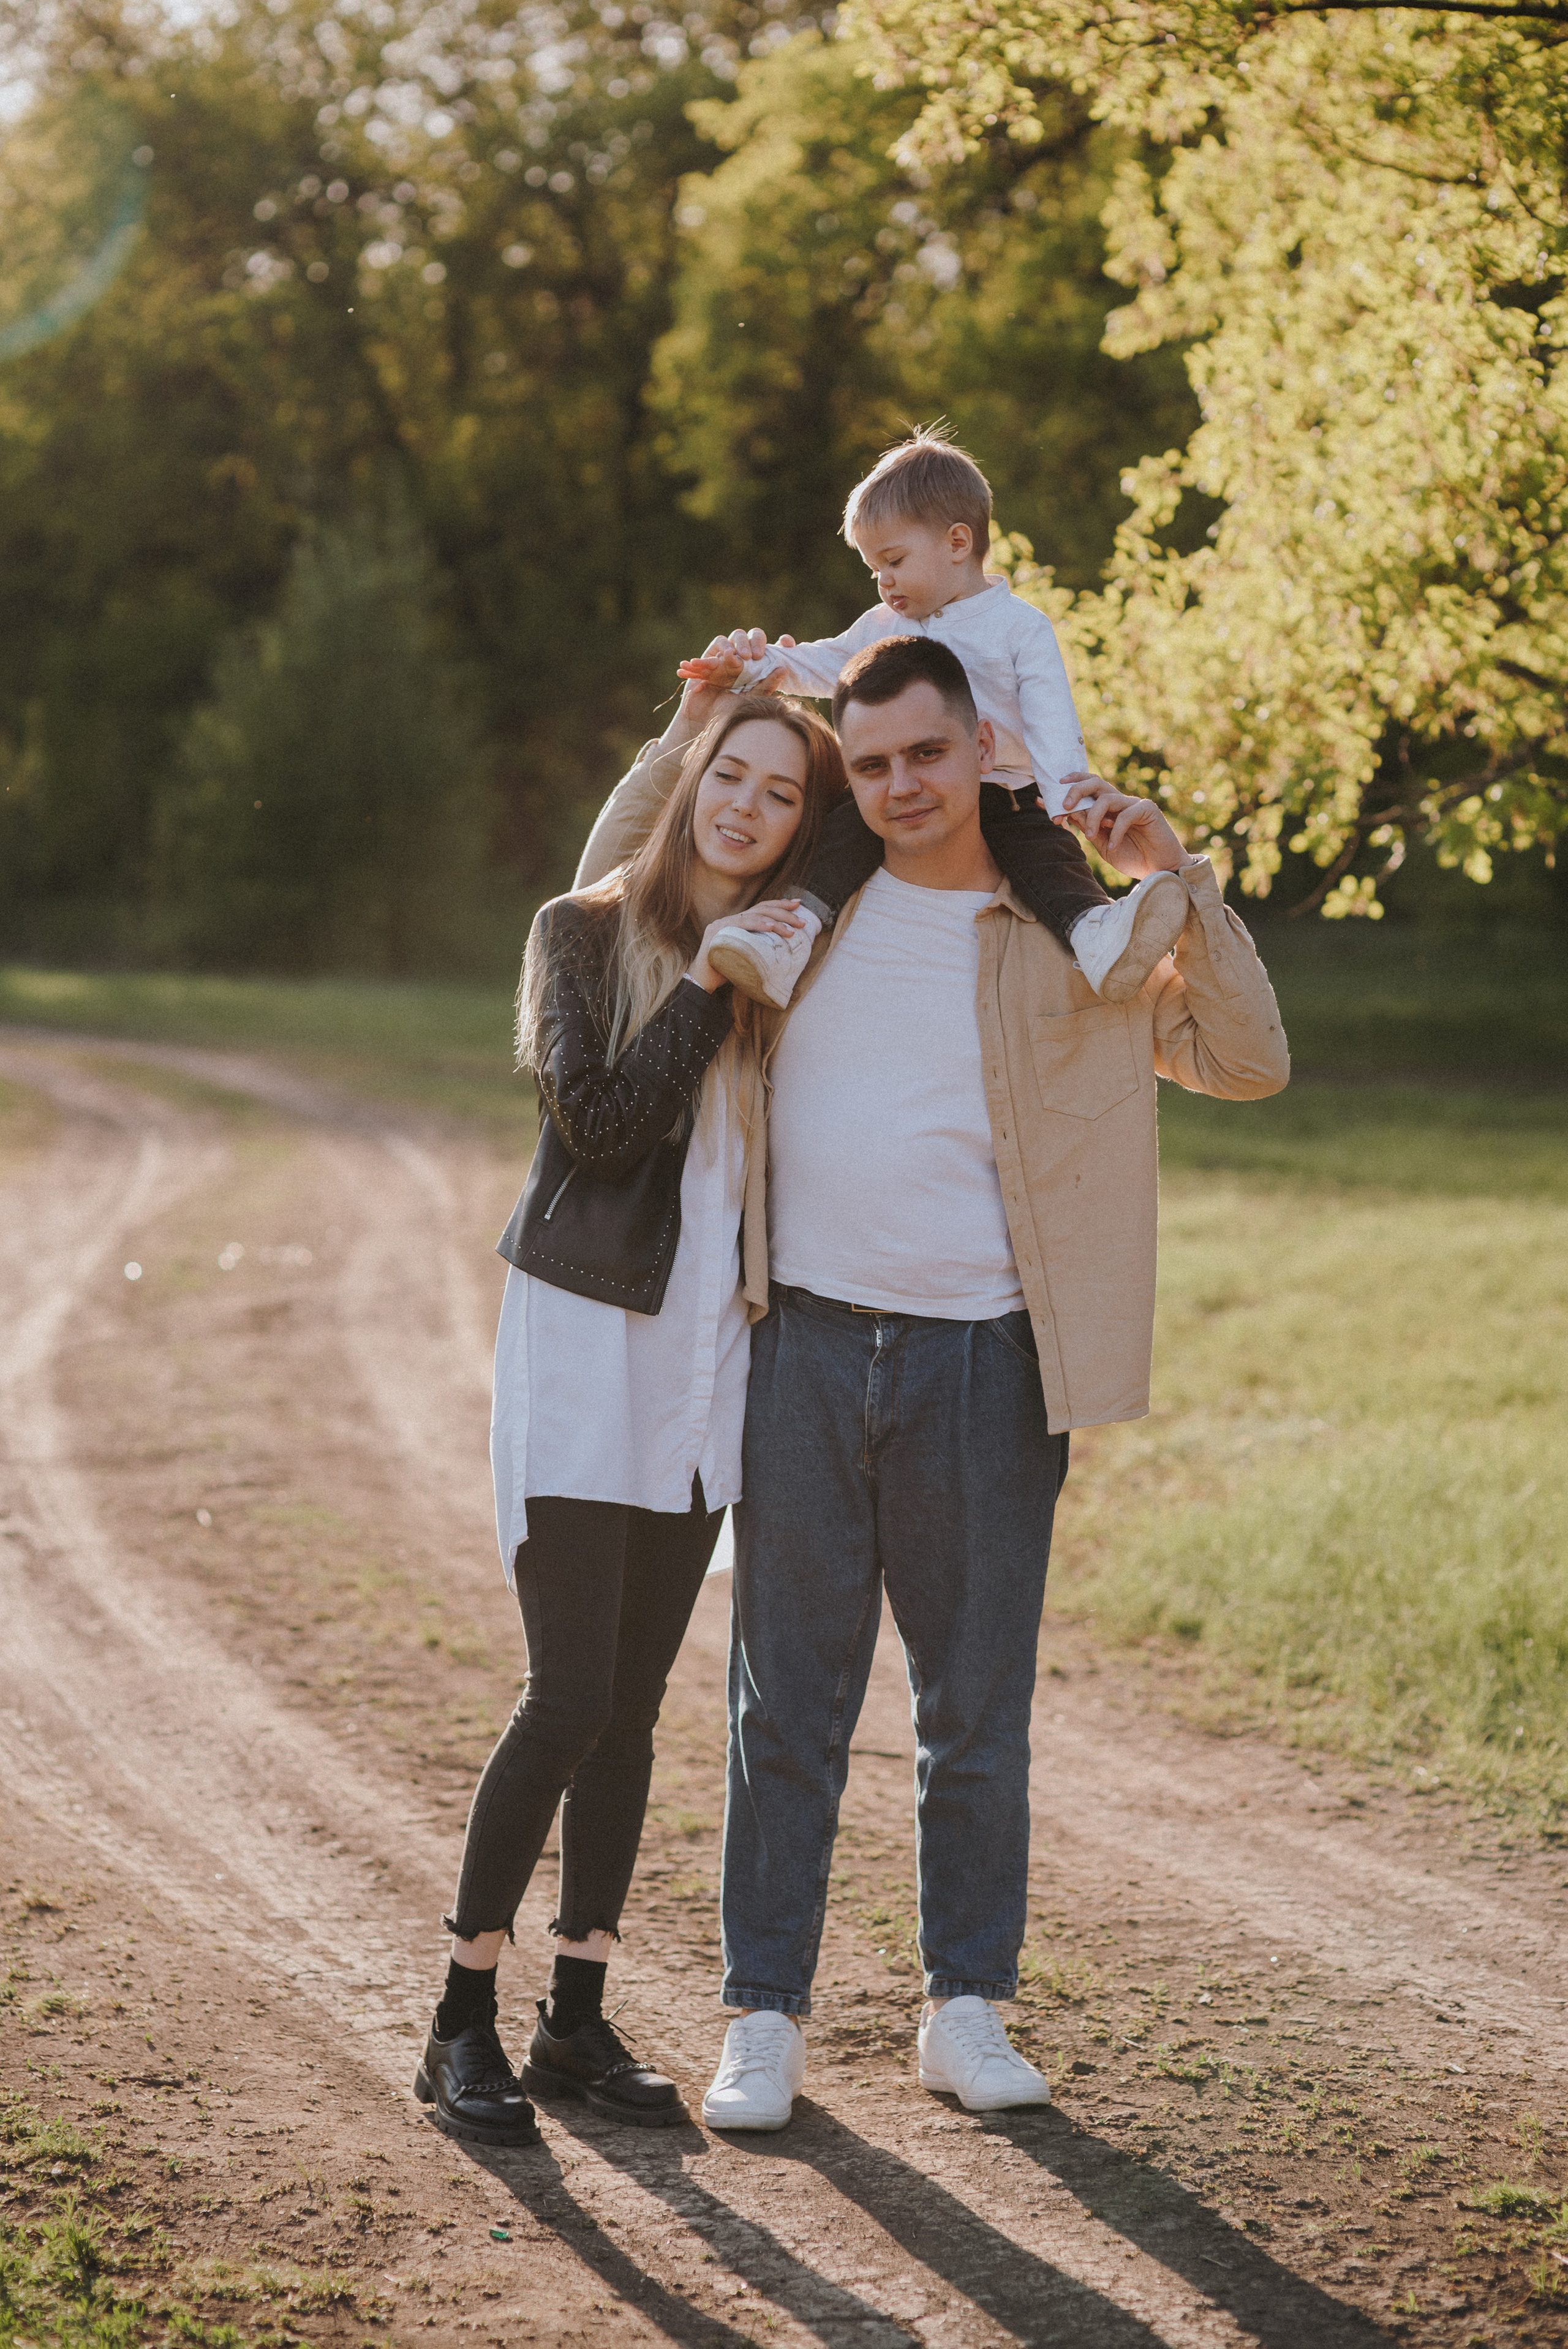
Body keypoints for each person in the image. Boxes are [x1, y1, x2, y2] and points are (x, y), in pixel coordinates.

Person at [693, 634, 1292, 2128]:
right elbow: (620, 879)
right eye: (873, 759)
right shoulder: (802, 914)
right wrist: (700, 716)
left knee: (974, 1709)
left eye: (925, 754)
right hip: (807, 1345)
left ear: (977, 750)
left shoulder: (1065, 931)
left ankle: (963, 2005)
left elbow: (1244, 1055)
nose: (899, 784)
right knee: (785, 1705)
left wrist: (1181, 874)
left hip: (985, 1359)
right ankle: (761, 2012)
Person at [414, 677, 843, 2147]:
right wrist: (712, 979)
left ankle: (575, 2020)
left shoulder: (792, 954)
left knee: (637, 1707)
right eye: (732, 773)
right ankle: (458, 2015)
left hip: (703, 1363)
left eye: (781, 792)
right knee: (568, 1691)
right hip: (586, 1347)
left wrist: (866, 667)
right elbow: (593, 1123)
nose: (749, 805)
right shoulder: (579, 932)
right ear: (689, 779)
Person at [676, 426, 1189, 1011]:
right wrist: (754, 666)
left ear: (957, 543)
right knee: (842, 835)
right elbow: (826, 662)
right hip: (904, 789)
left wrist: (1068, 795)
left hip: (1008, 791)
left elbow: (1051, 719)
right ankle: (788, 942)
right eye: (873, 569)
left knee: (1046, 858)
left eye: (893, 560)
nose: (883, 580)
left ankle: (1095, 938)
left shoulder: (1018, 627)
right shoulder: (882, 625)